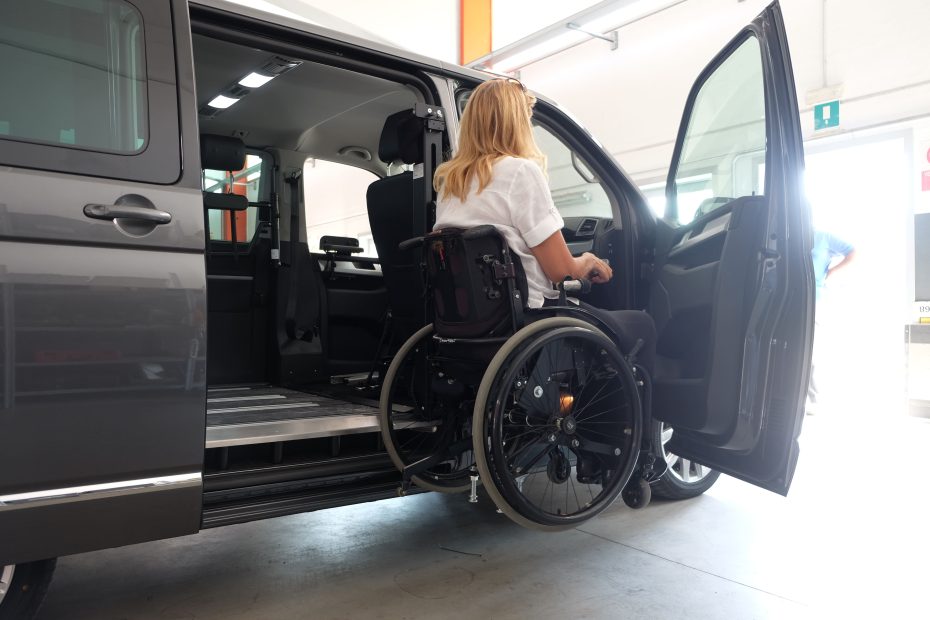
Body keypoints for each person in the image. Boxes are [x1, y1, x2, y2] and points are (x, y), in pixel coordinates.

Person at [432, 78, 654, 368]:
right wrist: (587, 261)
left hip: (473, 326)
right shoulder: (520, 171)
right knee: (642, 325)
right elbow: (561, 271)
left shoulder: (450, 183)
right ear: (516, 123)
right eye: (526, 118)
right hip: (529, 318)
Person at [807, 230, 856, 414]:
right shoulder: (792, 233)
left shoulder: (823, 237)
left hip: (816, 299)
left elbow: (853, 251)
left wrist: (832, 271)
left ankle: (814, 398)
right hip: (795, 296)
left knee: (812, 351)